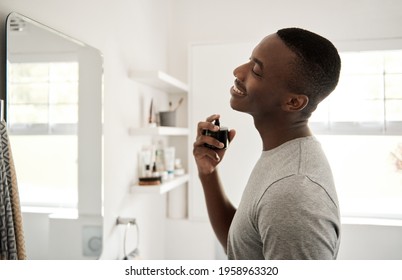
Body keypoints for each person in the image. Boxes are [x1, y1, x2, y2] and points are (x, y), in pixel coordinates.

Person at [193, 27, 341, 260]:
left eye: (256, 70)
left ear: (293, 102)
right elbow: (242, 248)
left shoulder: (294, 195)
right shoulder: (282, 156)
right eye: (249, 60)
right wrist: (207, 173)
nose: (238, 71)